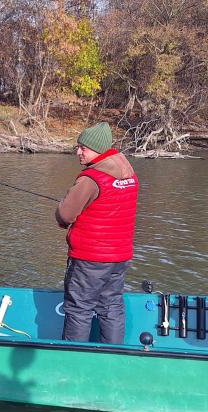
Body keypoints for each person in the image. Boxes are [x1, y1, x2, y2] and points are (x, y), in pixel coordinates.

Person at [55, 122, 138, 344]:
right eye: (78, 147)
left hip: (90, 258)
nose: (78, 152)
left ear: (99, 150)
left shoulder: (90, 179)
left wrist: (63, 207)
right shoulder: (129, 174)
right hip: (120, 257)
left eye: (83, 148)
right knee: (111, 306)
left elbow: (65, 215)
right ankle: (113, 357)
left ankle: (75, 361)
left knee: (79, 309)